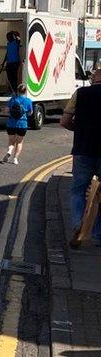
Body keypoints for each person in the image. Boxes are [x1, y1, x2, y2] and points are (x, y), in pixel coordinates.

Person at [60, 67, 101, 248]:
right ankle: (98, 234)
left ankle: (78, 225)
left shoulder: (81, 93)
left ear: (93, 79)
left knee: (78, 190)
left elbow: (64, 121)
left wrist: (80, 130)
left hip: (83, 149)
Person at [3, 84, 34, 165]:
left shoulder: (12, 100)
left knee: (11, 141)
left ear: (17, 91)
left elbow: (6, 111)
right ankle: (15, 159)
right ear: (25, 91)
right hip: (22, 124)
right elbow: (30, 113)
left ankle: (9, 151)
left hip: (11, 124)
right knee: (19, 142)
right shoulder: (28, 101)